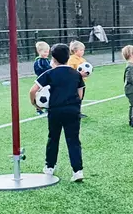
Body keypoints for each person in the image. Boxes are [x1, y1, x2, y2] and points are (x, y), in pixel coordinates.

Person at [29, 43, 85, 182]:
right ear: (68, 57)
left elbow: (33, 90)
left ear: (53, 59)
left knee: (53, 138)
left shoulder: (49, 73)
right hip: (72, 110)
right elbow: (80, 93)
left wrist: (35, 103)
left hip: (55, 111)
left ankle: (49, 167)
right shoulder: (76, 74)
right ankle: (77, 171)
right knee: (73, 140)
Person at [67, 41, 88, 118]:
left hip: (82, 82)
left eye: (83, 50)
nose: (83, 52)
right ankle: (73, 112)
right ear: (75, 51)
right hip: (74, 82)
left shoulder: (83, 60)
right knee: (75, 97)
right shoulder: (71, 59)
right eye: (81, 50)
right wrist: (79, 74)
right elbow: (70, 70)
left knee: (80, 97)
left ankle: (78, 112)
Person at [33, 41, 53, 116]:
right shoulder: (38, 61)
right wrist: (50, 69)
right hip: (41, 80)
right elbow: (41, 69)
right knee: (39, 94)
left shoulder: (47, 60)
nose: (46, 53)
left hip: (48, 80)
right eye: (45, 52)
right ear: (39, 51)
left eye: (47, 52)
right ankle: (38, 109)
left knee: (48, 93)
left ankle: (48, 107)